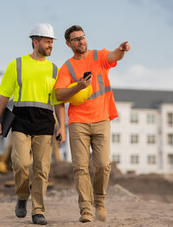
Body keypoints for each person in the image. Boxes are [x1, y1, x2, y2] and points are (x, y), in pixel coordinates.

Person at [55, 25, 130, 223]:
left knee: (103, 165)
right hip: (78, 122)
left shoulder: (99, 56)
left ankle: (100, 201)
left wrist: (121, 50)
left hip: (101, 119)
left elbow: (114, 56)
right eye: (76, 39)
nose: (81, 41)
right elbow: (58, 95)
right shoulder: (67, 67)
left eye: (82, 37)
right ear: (68, 44)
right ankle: (86, 210)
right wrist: (79, 86)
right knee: (80, 167)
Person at [0, 23, 65, 225]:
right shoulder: (16, 65)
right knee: (21, 164)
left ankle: (38, 211)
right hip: (21, 121)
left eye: (52, 42)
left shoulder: (54, 69)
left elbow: (59, 102)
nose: (51, 45)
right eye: (48, 41)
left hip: (44, 123)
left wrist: (62, 127)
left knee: (42, 169)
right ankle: (22, 196)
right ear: (36, 42)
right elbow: (4, 96)